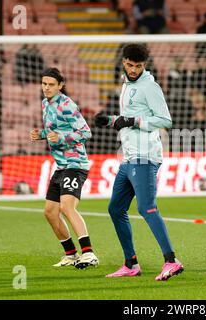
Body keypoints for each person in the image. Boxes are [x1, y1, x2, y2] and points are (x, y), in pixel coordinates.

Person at [94, 43, 184, 281]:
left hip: (145, 156)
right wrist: (110, 119)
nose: (134, 70)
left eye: (139, 66)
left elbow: (165, 119)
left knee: (147, 207)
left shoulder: (149, 86)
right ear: (123, 62)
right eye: (130, 65)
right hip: (129, 156)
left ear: (145, 65)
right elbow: (128, 118)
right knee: (115, 209)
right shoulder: (126, 84)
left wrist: (132, 121)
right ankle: (131, 264)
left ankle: (172, 261)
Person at [30, 68, 98, 269]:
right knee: (50, 212)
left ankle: (89, 253)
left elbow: (86, 132)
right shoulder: (45, 104)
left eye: (51, 84)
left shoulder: (67, 105)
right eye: (44, 84)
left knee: (67, 207)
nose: (46, 88)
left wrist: (61, 138)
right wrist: (41, 134)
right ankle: (71, 254)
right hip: (61, 165)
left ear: (60, 85)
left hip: (75, 164)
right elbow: (55, 129)